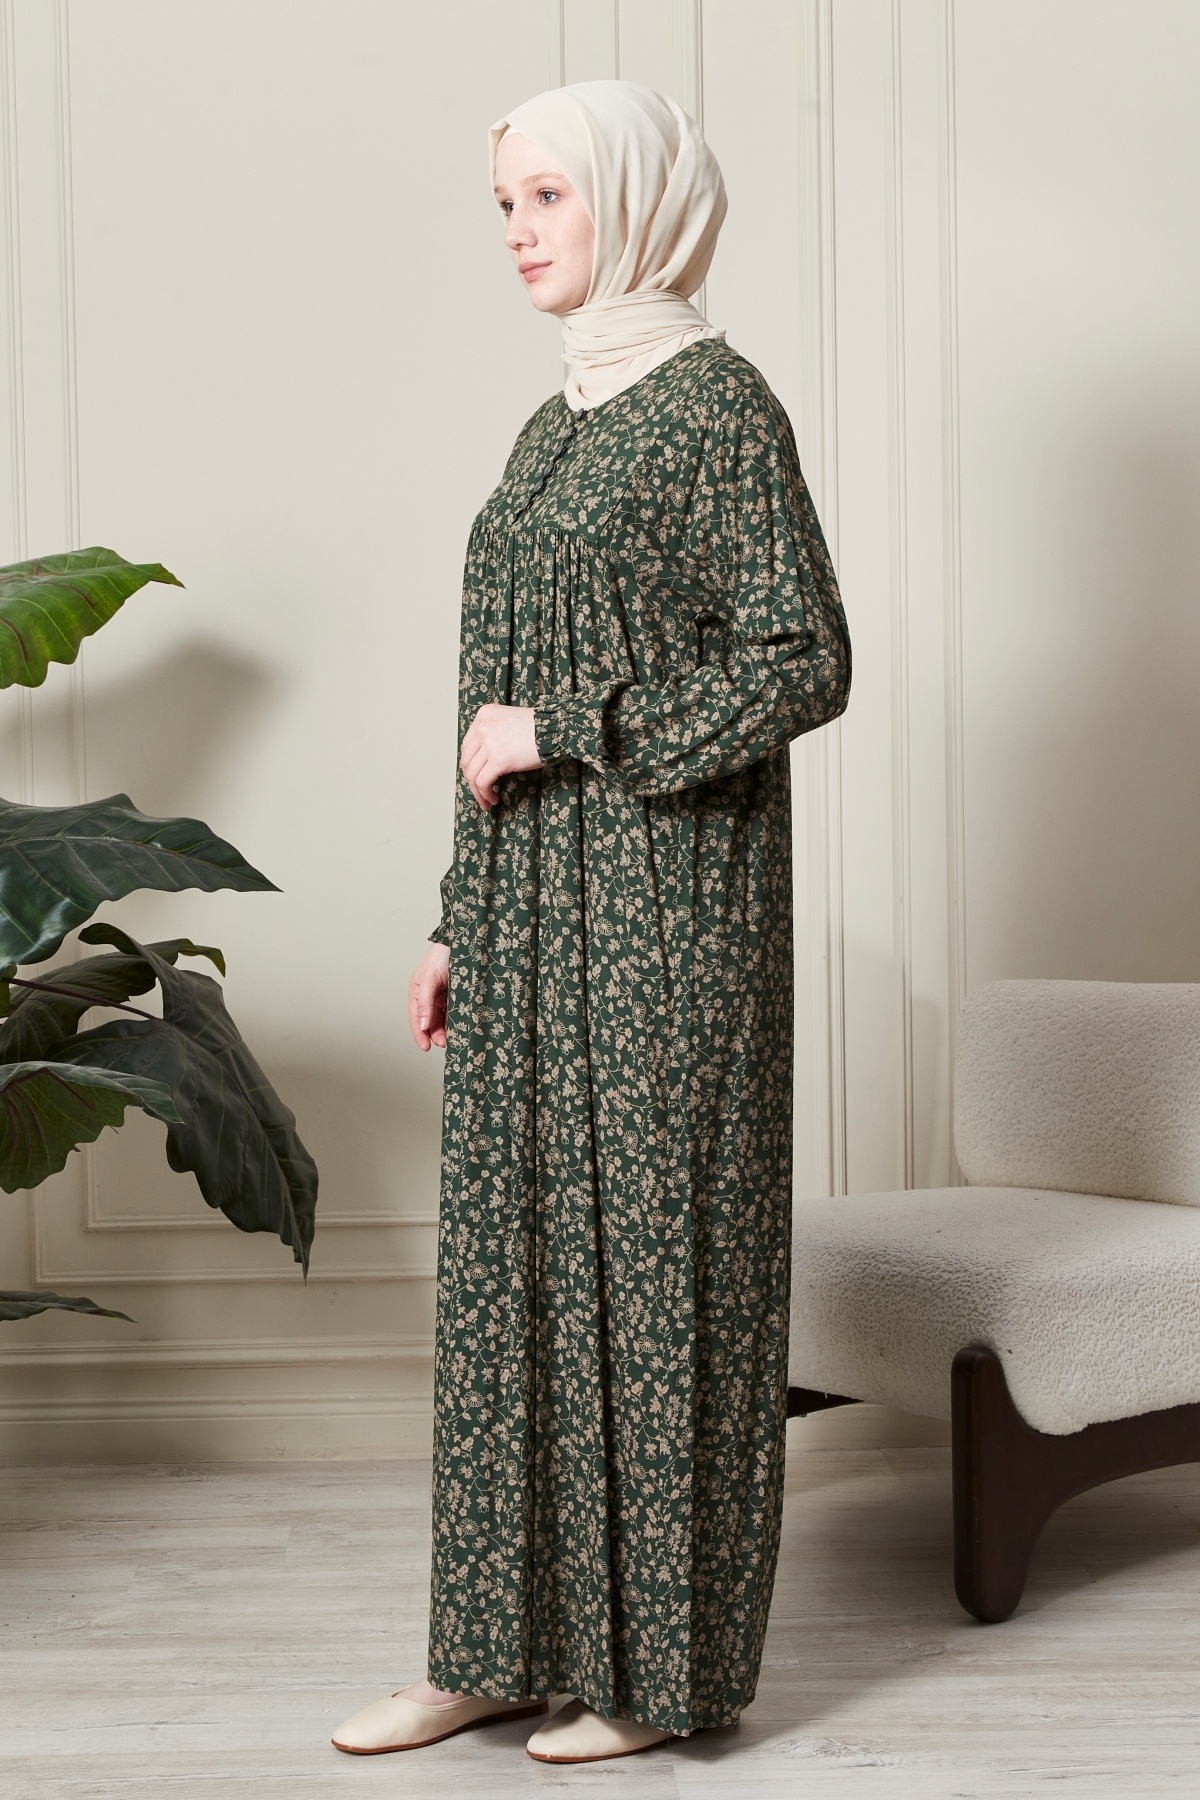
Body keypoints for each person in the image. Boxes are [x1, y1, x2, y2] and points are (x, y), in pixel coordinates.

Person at [333, 78, 850, 1767]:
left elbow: (804, 658)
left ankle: (654, 1675)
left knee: (662, 1281)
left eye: (548, 197)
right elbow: (483, 707)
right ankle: (493, 1648)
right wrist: (455, 918)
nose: (518, 231)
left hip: (670, 916)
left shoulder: (719, 408)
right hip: (528, 911)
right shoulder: (550, 425)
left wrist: (573, 731)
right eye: (505, 204)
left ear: (634, 200)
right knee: (512, 1281)